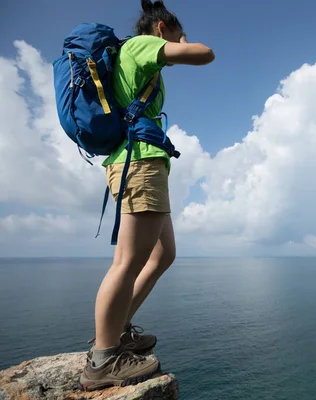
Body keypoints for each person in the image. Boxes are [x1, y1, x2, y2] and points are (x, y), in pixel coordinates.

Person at [79, 0, 215, 391]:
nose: (177, 42)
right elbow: (204, 54)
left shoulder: (137, 57)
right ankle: (103, 359)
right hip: (138, 163)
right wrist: (183, 41)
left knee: (163, 254)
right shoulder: (139, 46)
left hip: (145, 162)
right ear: (161, 29)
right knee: (127, 261)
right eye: (174, 34)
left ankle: (118, 328)